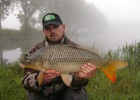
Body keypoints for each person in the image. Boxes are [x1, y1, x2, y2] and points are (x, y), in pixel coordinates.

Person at [22, 13, 97, 100]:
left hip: (66, 91)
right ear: (44, 31)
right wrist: (41, 80)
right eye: (48, 28)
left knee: (77, 95)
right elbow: (25, 83)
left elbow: (79, 84)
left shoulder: (76, 49)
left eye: (55, 27)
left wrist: (78, 77)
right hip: (42, 93)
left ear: (63, 27)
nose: (52, 31)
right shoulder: (34, 52)